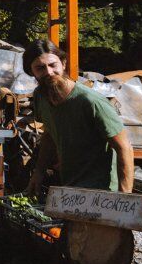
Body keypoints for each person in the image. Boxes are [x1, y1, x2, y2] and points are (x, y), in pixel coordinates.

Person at [23, 40, 134, 195]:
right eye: (40, 68)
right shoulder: (41, 98)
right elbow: (50, 133)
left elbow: (124, 147)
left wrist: (124, 197)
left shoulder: (90, 102)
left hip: (102, 191)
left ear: (63, 63)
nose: (48, 72)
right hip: (70, 187)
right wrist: (39, 172)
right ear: (31, 72)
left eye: (53, 65)